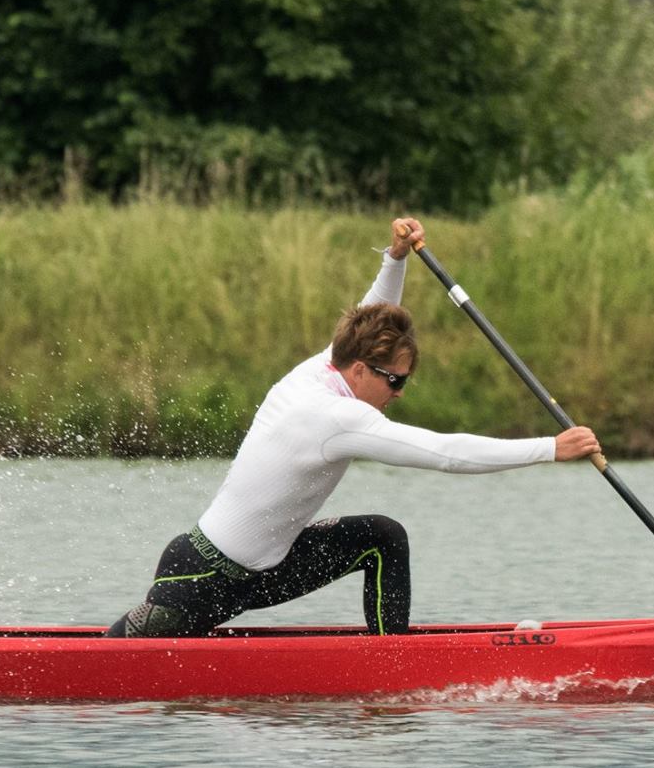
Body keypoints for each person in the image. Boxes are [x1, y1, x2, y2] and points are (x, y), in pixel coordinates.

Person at [107, 217, 601, 638]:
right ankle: (392, 671)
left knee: (382, 537)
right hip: (203, 574)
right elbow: (444, 452)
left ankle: (388, 662)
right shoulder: (335, 417)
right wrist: (548, 448)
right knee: (113, 661)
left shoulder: (325, 365)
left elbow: (370, 314)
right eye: (395, 380)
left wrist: (397, 258)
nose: (400, 392)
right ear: (361, 370)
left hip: (268, 568)